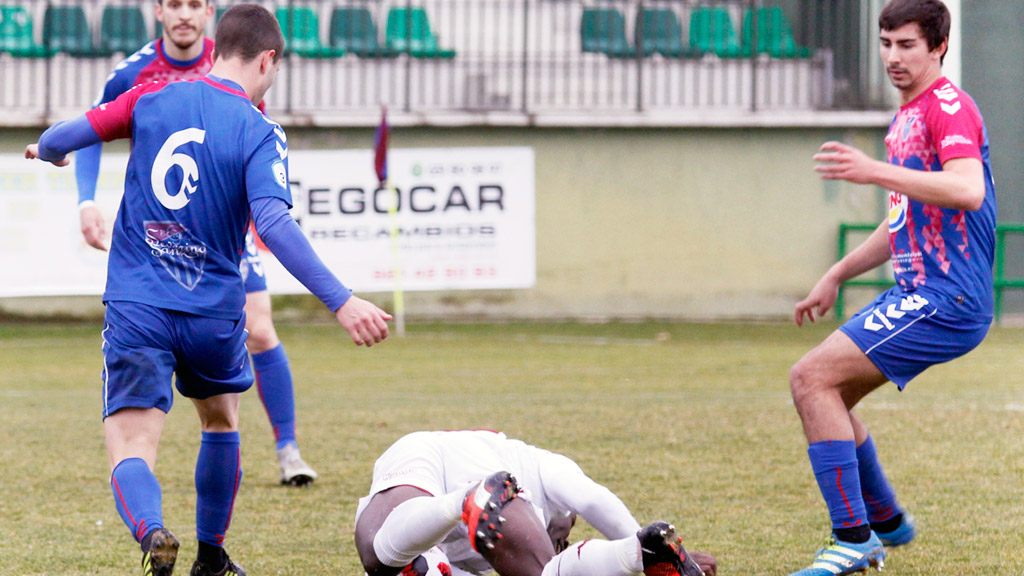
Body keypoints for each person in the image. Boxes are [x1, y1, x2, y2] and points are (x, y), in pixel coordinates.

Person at [26, 4, 392, 576]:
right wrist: (341, 300)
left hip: (138, 304)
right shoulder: (260, 130)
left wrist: (47, 152)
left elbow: (60, 138)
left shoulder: (149, 97)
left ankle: (151, 532)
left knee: (133, 445)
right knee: (220, 423)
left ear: (216, 45)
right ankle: (212, 557)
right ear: (267, 59)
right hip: (213, 311)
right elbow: (273, 225)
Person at [789, 1, 996, 574]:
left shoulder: (949, 107)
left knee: (810, 379)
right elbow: (904, 218)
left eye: (906, 45)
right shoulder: (907, 116)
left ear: (938, 47)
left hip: (946, 297)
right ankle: (885, 521)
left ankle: (854, 538)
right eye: (885, 43)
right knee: (832, 398)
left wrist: (872, 171)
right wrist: (836, 274)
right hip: (921, 291)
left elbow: (967, 191)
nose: (892, 57)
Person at [76, 0, 318, 486]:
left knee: (262, 328)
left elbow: (251, 141)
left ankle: (288, 449)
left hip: (223, 226)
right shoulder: (134, 73)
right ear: (159, 12)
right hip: (162, 228)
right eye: (174, 4)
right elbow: (93, 130)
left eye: (194, 4)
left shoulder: (234, 60)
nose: (184, 14)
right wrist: (86, 201)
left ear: (209, 12)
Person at [354, 430, 717, 576]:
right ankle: (640, 552)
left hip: (448, 518)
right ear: (566, 516)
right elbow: (592, 499)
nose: (565, 540)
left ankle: (637, 554)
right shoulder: (540, 466)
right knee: (377, 552)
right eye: (569, 531)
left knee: (387, 561)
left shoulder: (502, 541)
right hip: (436, 459)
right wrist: (635, 533)